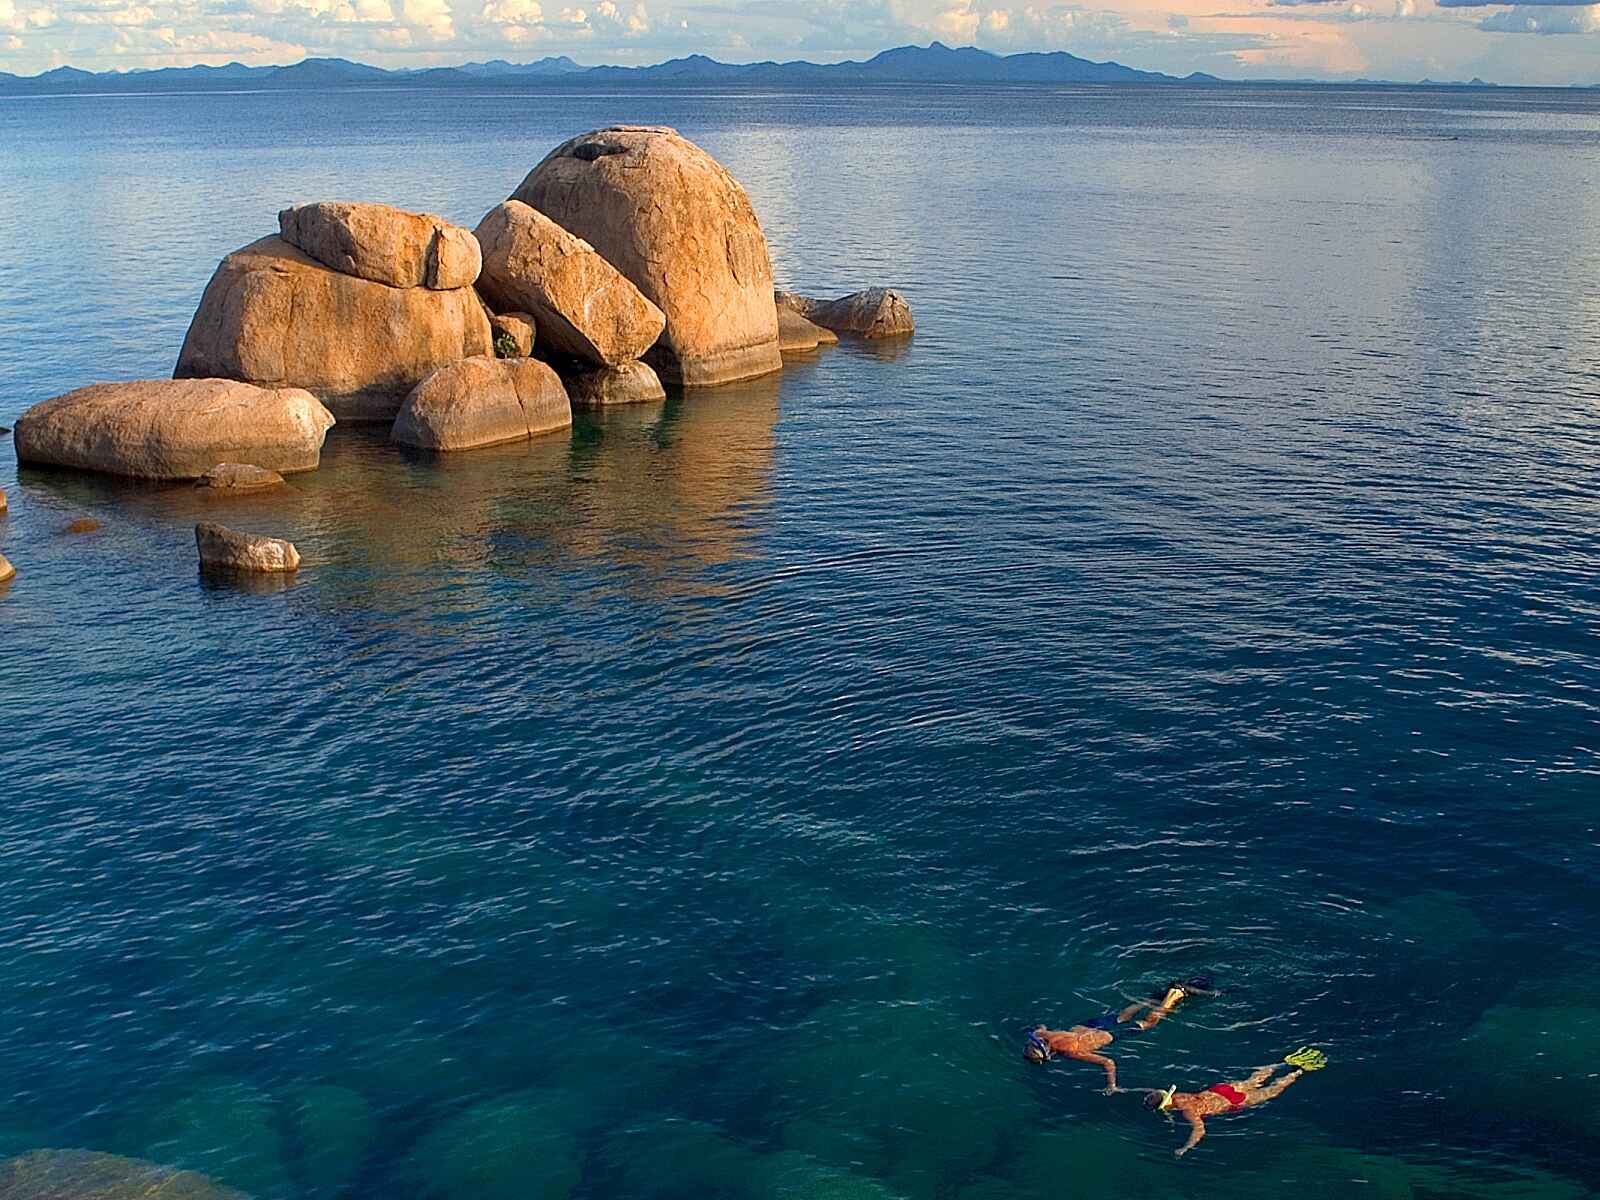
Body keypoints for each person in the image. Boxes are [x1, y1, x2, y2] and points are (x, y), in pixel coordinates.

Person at [1023, 978, 1214, 1092]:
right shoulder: (1042, 1034)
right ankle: (1153, 998)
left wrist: (1112, 1085)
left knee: (1148, 1023)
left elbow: (1108, 1062)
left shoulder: (1070, 1052)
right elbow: (1040, 1026)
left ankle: (1174, 994)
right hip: (1090, 1025)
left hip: (1108, 1035)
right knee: (1123, 1015)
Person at [1142, 1048, 1326, 1158]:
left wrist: (1185, 1148)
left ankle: (1297, 1072)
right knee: (1254, 1079)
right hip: (1221, 1090)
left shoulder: (1187, 1111)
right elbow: (1151, 1092)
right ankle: (1282, 1064)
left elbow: (1200, 1130)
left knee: (1271, 1091)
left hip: (1230, 1102)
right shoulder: (1179, 1096)